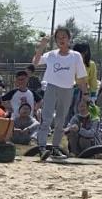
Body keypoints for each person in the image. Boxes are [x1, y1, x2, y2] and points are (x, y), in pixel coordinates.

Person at [32, 27, 88, 161]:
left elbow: (81, 77)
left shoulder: (75, 56)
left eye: (64, 37)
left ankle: (55, 148)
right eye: (58, 38)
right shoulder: (51, 54)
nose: (61, 40)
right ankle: (42, 148)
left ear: (69, 39)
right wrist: (42, 46)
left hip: (67, 89)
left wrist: (85, 94)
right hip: (51, 87)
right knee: (46, 117)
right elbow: (35, 62)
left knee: (61, 119)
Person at [67, 43, 97, 120]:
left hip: (84, 93)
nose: (81, 55)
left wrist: (93, 95)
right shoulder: (69, 63)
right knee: (67, 111)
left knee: (80, 111)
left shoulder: (91, 64)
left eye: (83, 53)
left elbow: (93, 80)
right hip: (69, 90)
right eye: (79, 52)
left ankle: (79, 128)